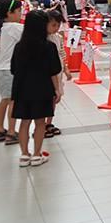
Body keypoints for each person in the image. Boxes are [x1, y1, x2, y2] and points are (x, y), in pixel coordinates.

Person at [10, 10, 62, 167]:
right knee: (40, 123)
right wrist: (57, 90)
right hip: (42, 88)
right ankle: (37, 155)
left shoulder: (19, 47)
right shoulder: (49, 47)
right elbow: (54, 71)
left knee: (24, 122)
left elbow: (13, 69)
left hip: (21, 88)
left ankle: (24, 155)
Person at [0, 0, 24, 145]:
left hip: (1, 69)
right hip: (9, 70)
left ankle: (0, 130)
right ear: (9, 13)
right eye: (18, 11)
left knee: (5, 100)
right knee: (13, 101)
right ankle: (11, 132)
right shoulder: (14, 27)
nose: (21, 13)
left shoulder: (6, 27)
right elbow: (30, 34)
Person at [45, 9, 71, 138]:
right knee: (47, 98)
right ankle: (41, 124)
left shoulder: (58, 38)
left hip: (58, 72)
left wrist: (66, 69)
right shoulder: (43, 39)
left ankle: (49, 123)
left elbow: (62, 52)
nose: (56, 28)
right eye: (53, 25)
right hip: (47, 74)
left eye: (58, 25)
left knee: (55, 98)